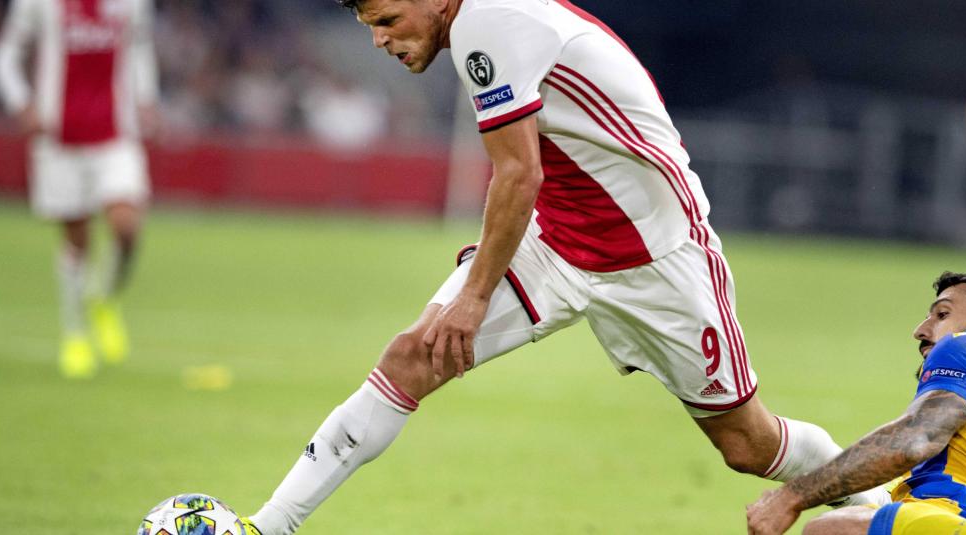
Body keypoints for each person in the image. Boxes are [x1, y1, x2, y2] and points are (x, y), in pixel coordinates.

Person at [242, 0, 888, 533]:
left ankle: (883, 507)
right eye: (371, 27)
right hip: (556, 239)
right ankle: (265, 526)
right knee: (414, 355)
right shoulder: (480, 24)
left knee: (748, 444)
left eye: (387, 20)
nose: (381, 40)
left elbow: (518, 174)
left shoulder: (488, 24)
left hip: (657, 256)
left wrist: (473, 297)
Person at [745, 271, 966, 535]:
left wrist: (791, 497)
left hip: (954, 518)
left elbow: (917, 439)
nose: (921, 330)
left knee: (831, 530)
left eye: (942, 315)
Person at [0, 0, 159, 379]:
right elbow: (3, 58)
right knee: (77, 238)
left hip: (116, 137)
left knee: (126, 228)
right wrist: (21, 104)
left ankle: (105, 297)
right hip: (59, 141)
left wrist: (147, 100)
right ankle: (75, 333)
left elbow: (140, 48)